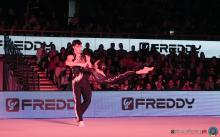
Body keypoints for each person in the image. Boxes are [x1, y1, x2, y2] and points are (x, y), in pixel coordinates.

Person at [65, 40, 154, 127]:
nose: (80, 48)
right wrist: (81, 64)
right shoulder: (71, 56)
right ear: (74, 47)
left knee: (88, 100)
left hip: (85, 79)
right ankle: (80, 119)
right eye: (78, 46)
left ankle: (137, 72)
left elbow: (90, 67)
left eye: (81, 46)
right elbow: (67, 63)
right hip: (76, 80)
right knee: (77, 101)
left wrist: (95, 66)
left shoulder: (86, 57)